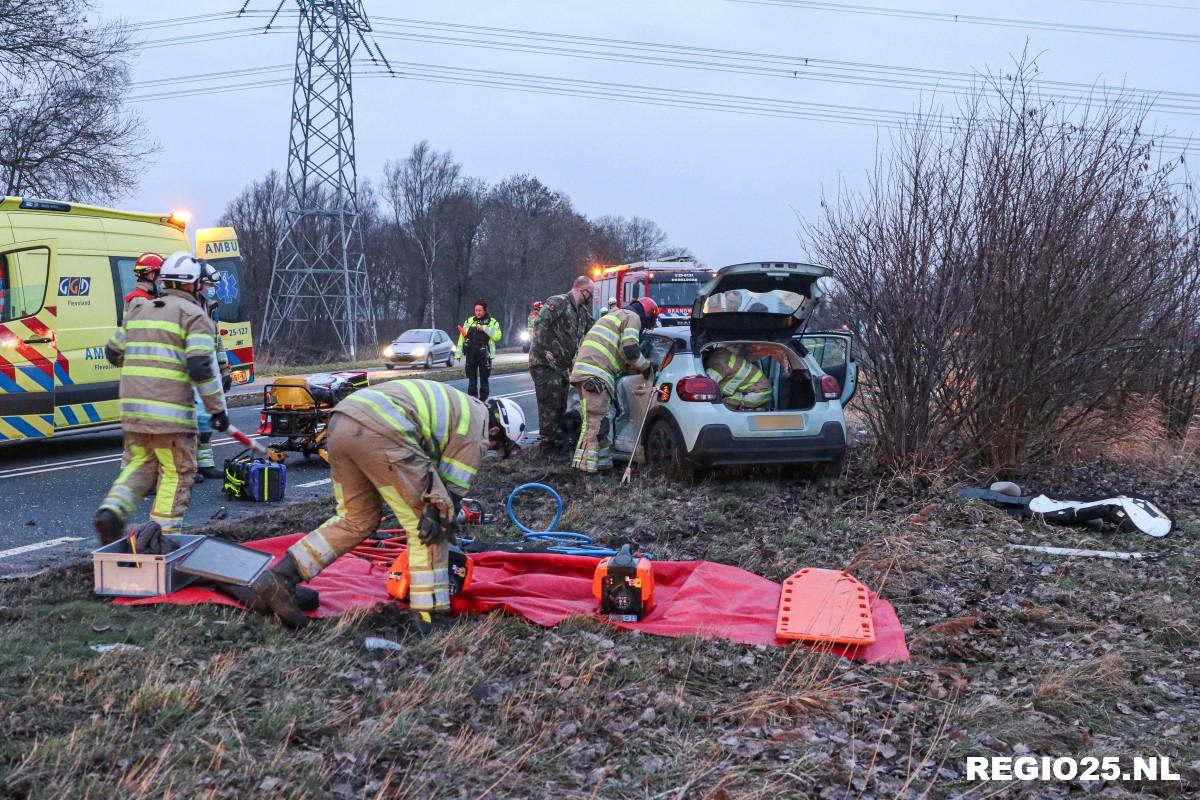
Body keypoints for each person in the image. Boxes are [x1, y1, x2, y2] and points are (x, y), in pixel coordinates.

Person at [246, 380, 504, 634]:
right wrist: (440, 516)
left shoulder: (459, 406)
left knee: (355, 520)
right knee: (428, 528)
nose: (488, 450)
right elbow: (448, 497)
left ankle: (282, 577)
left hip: (340, 423)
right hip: (383, 431)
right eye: (496, 447)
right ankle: (430, 616)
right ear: (496, 432)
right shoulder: (477, 428)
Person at [94, 252, 228, 543]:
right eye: (201, 285)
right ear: (191, 285)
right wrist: (217, 410)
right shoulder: (195, 317)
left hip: (133, 413)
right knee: (176, 473)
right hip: (171, 417)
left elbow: (113, 352)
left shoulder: (140, 310)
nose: (204, 289)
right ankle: (162, 538)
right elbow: (200, 367)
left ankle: (112, 511)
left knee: (140, 465)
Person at [569, 297, 659, 474]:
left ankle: (603, 465)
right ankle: (587, 470)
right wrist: (647, 367)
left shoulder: (615, 315)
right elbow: (631, 350)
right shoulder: (633, 317)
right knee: (595, 424)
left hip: (586, 370)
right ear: (648, 314)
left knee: (601, 421)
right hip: (596, 373)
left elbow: (620, 352)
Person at [529, 276, 594, 456]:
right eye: (591, 293)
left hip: (561, 367)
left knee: (560, 405)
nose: (591, 297)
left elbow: (593, 327)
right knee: (549, 405)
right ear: (583, 291)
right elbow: (540, 324)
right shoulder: (559, 303)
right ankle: (548, 447)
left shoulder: (580, 312)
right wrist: (546, 350)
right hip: (545, 364)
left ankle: (558, 443)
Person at [194, 265, 233, 482]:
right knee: (192, 420)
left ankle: (206, 463)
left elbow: (217, 341)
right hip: (192, 370)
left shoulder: (209, 307)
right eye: (209, 285)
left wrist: (225, 370)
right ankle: (190, 466)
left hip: (208, 369)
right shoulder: (185, 307)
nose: (211, 289)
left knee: (208, 417)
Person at [455, 300, 502, 401]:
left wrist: (484, 328)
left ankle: (483, 402)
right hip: (471, 355)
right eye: (476, 310)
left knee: (484, 380)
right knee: (472, 381)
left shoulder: (492, 322)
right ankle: (473, 401)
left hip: (485, 355)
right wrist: (458, 354)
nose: (478, 312)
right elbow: (461, 338)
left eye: (480, 310)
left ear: (485, 310)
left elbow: (497, 336)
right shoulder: (469, 321)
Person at [704, 345, 775, 411]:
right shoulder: (720, 354)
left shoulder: (716, 363)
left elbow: (708, 387)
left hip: (758, 392)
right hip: (762, 389)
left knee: (723, 404)